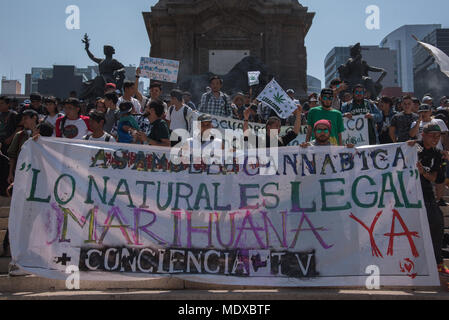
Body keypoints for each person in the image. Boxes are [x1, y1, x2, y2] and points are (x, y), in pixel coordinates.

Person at [407, 123, 449, 276]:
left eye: (438, 136)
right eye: (432, 135)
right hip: (405, 193)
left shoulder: (438, 154)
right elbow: (396, 151)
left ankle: (438, 262)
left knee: (437, 221)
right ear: (423, 135)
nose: (435, 139)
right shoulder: (413, 146)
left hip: (425, 193)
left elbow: (435, 178)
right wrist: (407, 145)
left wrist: (423, 172)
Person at [410, 104, 449, 206]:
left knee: (440, 175)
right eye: (421, 112)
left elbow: (445, 136)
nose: (423, 113)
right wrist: (418, 122)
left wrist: (446, 148)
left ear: (430, 112)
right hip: (421, 153)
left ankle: (440, 199)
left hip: (438, 152)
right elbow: (412, 135)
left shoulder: (438, 122)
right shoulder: (415, 123)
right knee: (423, 175)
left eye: (426, 111)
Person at [7, 110, 39, 184]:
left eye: (26, 118)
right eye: (23, 119)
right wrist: (10, 174)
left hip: (37, 173)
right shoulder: (19, 135)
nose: (23, 121)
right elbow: (12, 155)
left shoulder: (43, 134)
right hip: (21, 172)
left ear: (34, 118)